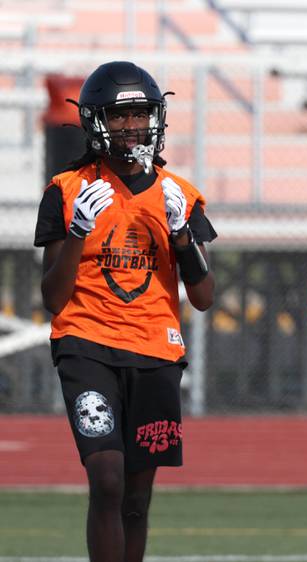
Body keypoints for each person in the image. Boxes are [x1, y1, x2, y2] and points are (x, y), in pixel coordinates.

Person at [34, 61, 216, 562]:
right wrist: (76, 233)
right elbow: (52, 297)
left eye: (140, 115)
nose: (132, 127)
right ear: (96, 123)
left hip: (155, 349)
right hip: (86, 344)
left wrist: (182, 236)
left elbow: (203, 296)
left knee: (136, 498)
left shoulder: (179, 193)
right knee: (108, 480)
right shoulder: (67, 189)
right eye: (120, 116)